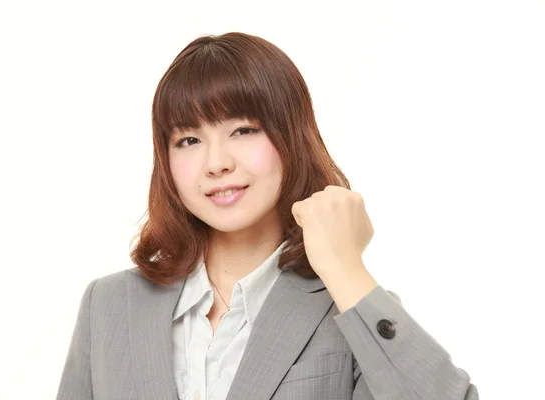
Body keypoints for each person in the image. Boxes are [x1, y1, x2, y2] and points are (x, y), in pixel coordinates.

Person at [56, 32, 479, 400]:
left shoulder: (349, 307)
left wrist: (344, 268)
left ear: (291, 137)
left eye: (243, 130)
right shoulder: (108, 306)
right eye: (188, 139)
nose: (216, 162)